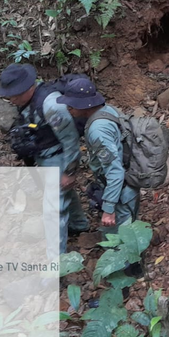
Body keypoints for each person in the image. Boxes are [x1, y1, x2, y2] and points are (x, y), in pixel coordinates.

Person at [0, 64, 89, 255]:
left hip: (59, 158)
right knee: (65, 195)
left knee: (52, 212)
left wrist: (69, 172)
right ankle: (79, 224)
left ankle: (55, 264)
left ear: (29, 87)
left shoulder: (51, 105)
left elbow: (71, 140)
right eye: (9, 95)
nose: (11, 99)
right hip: (45, 157)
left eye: (15, 94)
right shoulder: (28, 102)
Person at [56, 78, 140, 233]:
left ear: (84, 105)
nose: (68, 108)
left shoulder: (98, 130)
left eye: (72, 104)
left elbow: (115, 172)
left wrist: (109, 209)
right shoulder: (108, 110)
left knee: (120, 243)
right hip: (126, 185)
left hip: (121, 192)